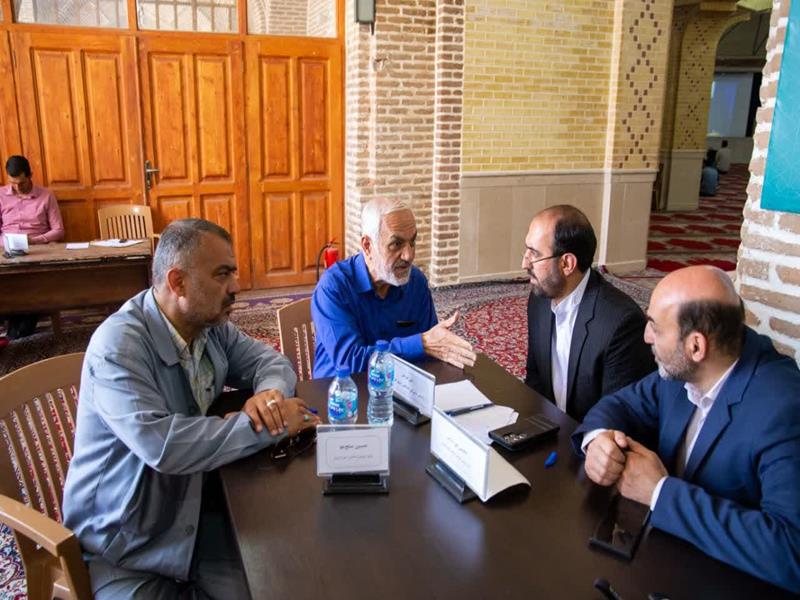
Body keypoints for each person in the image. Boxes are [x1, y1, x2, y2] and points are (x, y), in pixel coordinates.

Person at [62, 218, 320, 598]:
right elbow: (163, 446)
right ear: (178, 282)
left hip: (192, 510)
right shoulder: (118, 347)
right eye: (222, 275)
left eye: (233, 273)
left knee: (280, 582)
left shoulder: (209, 325)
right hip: (125, 545)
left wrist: (269, 398)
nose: (236, 287)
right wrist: (270, 425)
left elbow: (271, 362)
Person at [573, 265, 800, 592]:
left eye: (654, 327)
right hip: (661, 560)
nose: (646, 336)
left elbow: (790, 549)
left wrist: (660, 492)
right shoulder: (684, 371)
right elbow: (620, 405)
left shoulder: (784, 409)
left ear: (695, 346)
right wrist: (597, 441)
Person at [311, 197, 476, 378]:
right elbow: (350, 362)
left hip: (400, 385)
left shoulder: (416, 282)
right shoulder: (333, 287)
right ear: (367, 246)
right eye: (396, 244)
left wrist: (433, 345)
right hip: (343, 391)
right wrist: (420, 344)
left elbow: (433, 350)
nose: (409, 255)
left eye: (412, 242)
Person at [522, 205, 654, 422]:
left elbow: (618, 416)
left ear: (567, 264)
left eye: (534, 254)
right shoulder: (540, 299)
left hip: (592, 437)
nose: (524, 263)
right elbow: (535, 380)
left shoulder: (621, 323)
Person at [0, 155, 64, 340]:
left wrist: (36, 240)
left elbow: (58, 230)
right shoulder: (1, 195)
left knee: (33, 278)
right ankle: (14, 318)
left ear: (30, 176)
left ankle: (23, 320)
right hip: (7, 249)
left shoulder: (46, 195)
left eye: (21, 183)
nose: (17, 187)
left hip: (37, 248)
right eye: (13, 183)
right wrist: (7, 242)